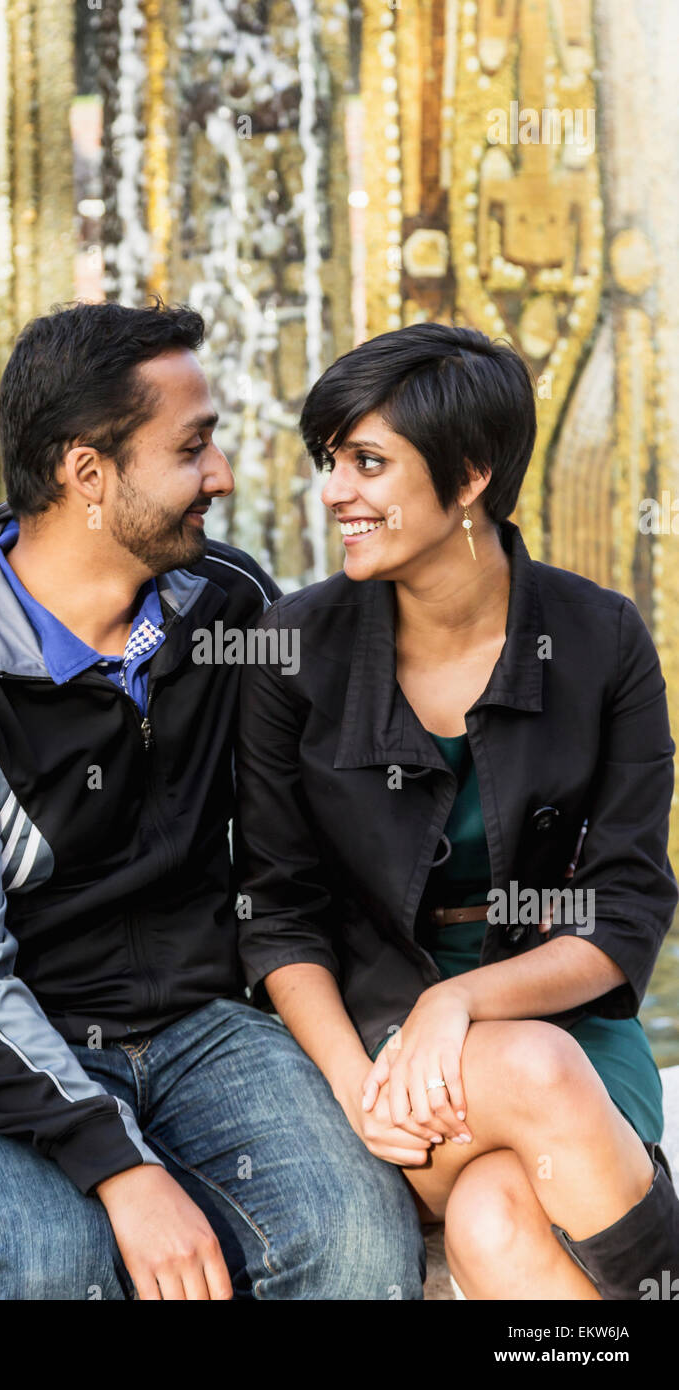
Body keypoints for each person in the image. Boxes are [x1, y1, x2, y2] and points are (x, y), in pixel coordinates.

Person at [0, 299, 425, 1301]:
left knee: (356, 1247)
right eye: (191, 448)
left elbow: (311, 846)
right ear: (88, 474)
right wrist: (120, 1167)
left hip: (202, 1028)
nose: (223, 475)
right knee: (54, 1265)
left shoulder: (228, 602)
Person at [235, 321, 679, 1300]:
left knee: (492, 1217)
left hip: (561, 1026)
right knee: (534, 1072)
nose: (333, 492)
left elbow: (625, 908)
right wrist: (356, 1085)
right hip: (369, 1048)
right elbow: (277, 916)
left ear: (470, 474)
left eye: (366, 462)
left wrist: (461, 1001)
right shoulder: (291, 650)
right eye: (328, 461)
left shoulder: (600, 639)